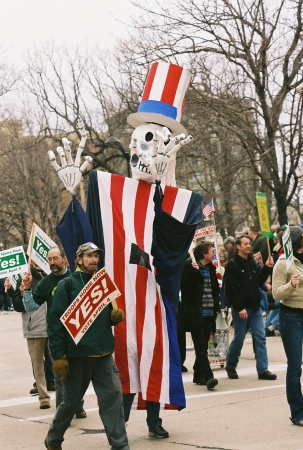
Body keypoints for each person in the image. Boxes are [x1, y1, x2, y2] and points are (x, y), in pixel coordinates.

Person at [44, 242, 129, 450]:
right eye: (89, 256)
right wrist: (59, 355)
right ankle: (53, 439)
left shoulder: (102, 283)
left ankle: (120, 445)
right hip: (76, 357)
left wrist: (114, 318)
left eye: (96, 256)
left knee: (113, 399)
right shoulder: (67, 285)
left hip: (103, 355)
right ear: (79, 260)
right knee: (70, 404)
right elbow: (55, 324)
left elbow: (103, 318)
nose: (94, 260)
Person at [22, 246, 86, 419]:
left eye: (55, 258)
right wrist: (27, 289)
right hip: (56, 335)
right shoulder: (46, 282)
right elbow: (31, 306)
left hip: (76, 334)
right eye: (49, 259)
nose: (52, 263)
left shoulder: (75, 277)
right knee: (60, 375)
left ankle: (78, 405)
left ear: (64, 259)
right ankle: (62, 413)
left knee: (77, 373)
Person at [224, 234, 277, 380]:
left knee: (260, 337)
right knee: (239, 338)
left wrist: (267, 268)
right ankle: (231, 365)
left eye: (249, 243)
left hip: (255, 307)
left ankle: (263, 369)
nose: (248, 246)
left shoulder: (252, 263)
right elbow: (231, 289)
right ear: (238, 247)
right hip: (242, 308)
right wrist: (239, 307)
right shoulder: (233, 265)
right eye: (245, 244)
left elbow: (257, 282)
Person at [272, 226, 303, 426]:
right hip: (291, 316)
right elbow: (276, 294)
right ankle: (298, 411)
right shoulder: (284, 264)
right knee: (295, 367)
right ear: (298, 240)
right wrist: (291, 286)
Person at [179, 241, 221, 389]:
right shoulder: (189, 266)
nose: (214, 253)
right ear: (204, 254)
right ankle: (209, 377)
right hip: (195, 314)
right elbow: (183, 286)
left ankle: (198, 374)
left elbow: (214, 290)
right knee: (200, 347)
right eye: (212, 250)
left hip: (209, 313)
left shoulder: (211, 268)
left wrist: (216, 307)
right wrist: (193, 272)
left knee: (204, 346)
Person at [11, 264, 51, 409]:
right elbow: (16, 305)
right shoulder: (25, 277)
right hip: (34, 329)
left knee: (60, 363)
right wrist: (22, 294)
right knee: (38, 365)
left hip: (52, 328)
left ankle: (66, 399)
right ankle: (44, 398)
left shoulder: (50, 274)